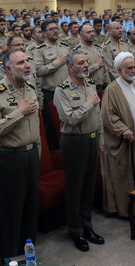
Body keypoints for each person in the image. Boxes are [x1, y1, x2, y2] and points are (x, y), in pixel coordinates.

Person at [0, 49, 40, 259]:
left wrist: (38, 153)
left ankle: (29, 256)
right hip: (9, 157)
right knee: (11, 213)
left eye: (27, 61)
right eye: (20, 63)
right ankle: (9, 261)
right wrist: (19, 112)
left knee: (31, 210)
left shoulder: (30, 88)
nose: (27, 65)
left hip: (31, 155)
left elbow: (35, 126)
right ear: (8, 68)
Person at [53, 51, 104, 252]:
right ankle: (76, 231)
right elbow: (70, 118)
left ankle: (87, 226)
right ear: (70, 67)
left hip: (92, 140)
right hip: (74, 142)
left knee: (89, 187)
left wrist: (100, 138)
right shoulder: (62, 90)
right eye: (80, 62)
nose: (85, 65)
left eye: (86, 61)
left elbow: (98, 116)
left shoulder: (90, 84)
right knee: (75, 189)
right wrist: (88, 104)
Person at [100, 52, 135, 217]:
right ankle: (129, 209)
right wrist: (123, 129)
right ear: (119, 70)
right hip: (127, 142)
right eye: (129, 68)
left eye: (134, 67)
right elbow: (108, 117)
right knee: (127, 175)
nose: (133, 71)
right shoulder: (112, 90)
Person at [34, 19, 70, 150]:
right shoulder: (39, 50)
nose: (55, 31)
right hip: (51, 94)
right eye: (51, 29)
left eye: (56, 28)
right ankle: (56, 154)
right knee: (53, 127)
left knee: (68, 123)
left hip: (67, 91)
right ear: (43, 33)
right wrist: (57, 63)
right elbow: (39, 71)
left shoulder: (65, 47)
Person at [72, 24, 110, 91]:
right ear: (81, 35)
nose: (92, 34)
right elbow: (78, 74)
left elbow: (105, 69)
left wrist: (108, 85)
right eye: (88, 32)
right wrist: (96, 66)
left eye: (92, 31)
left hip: (102, 87)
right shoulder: (77, 52)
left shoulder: (98, 48)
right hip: (87, 88)